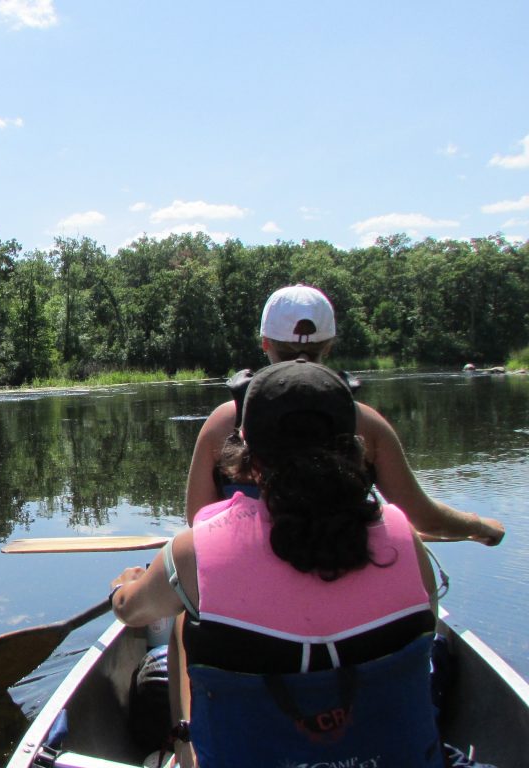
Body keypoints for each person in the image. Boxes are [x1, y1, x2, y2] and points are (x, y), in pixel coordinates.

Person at [110, 360, 445, 766]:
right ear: (354, 448)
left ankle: (185, 753)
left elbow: (132, 612)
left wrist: (122, 587)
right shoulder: (403, 537)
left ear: (247, 452)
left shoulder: (194, 551)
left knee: (184, 617)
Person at [186, 284, 505, 543]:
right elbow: (425, 519)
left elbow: (198, 522)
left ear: (265, 343)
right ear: (329, 345)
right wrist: (479, 525)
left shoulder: (224, 423)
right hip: (338, 572)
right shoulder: (365, 422)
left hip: (245, 589)